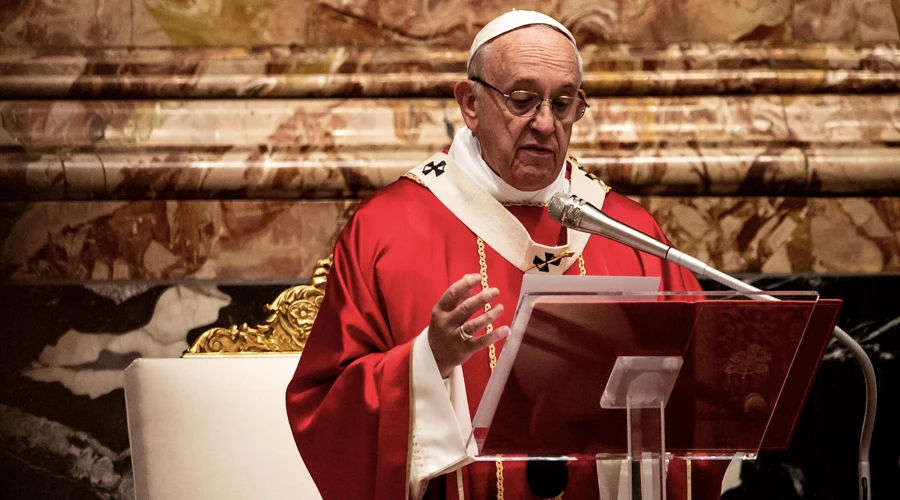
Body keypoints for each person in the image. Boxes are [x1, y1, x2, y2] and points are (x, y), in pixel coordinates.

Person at [286, 10, 727, 500]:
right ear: (470, 103)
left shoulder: (630, 233)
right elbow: (325, 409)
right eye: (522, 100)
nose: (546, 123)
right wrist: (429, 362)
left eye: (563, 103)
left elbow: (706, 400)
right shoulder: (386, 231)